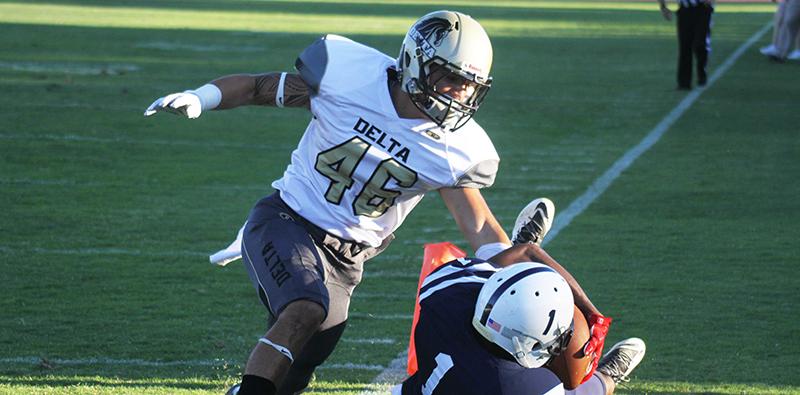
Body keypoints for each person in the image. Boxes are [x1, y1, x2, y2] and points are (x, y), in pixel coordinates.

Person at [146, 11, 607, 395]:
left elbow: (479, 224)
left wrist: (516, 267)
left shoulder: (457, 148)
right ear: (415, 62)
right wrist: (202, 97)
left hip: (349, 259)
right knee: (307, 309)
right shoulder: (348, 78)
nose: (456, 93)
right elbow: (257, 86)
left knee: (308, 356)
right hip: (288, 219)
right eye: (447, 78)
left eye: (466, 85)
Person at [393, 256, 646, 395]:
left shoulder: (448, 289)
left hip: (420, 388)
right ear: (529, 346)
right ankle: (606, 378)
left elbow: (514, 256)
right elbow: (524, 251)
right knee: (580, 390)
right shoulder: (526, 387)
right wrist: (590, 314)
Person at [658, 0, 715, 89]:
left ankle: (702, 71)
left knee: (700, 44)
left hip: (703, 8)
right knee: (685, 46)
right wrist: (663, 7)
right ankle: (684, 82)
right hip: (684, 10)